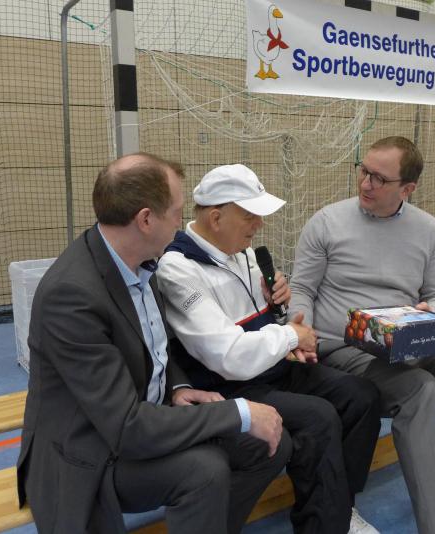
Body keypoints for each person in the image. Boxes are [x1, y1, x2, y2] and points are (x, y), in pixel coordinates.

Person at [16, 153, 290, 534]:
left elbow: (150, 346)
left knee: (268, 444)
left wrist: (177, 387)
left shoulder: (140, 262)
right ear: (146, 220)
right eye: (177, 212)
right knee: (204, 470)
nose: (182, 222)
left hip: (136, 420)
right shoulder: (72, 296)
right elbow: (127, 428)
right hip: (90, 451)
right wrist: (239, 412)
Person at [289, 136, 435, 534]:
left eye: (379, 178)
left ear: (407, 189)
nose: (366, 183)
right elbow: (302, 287)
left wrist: (434, 313)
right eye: (364, 171)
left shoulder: (427, 229)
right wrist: (299, 327)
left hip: (404, 343)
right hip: (344, 348)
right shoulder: (326, 222)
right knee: (419, 389)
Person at [155, 164, 382, 534]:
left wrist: (281, 314)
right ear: (216, 218)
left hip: (271, 368)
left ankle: (341, 504)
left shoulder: (243, 253)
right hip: (229, 385)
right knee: (319, 418)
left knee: (361, 396)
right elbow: (228, 356)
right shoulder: (178, 269)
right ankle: (324, 524)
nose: (258, 225)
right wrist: (292, 337)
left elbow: (266, 324)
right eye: (250, 216)